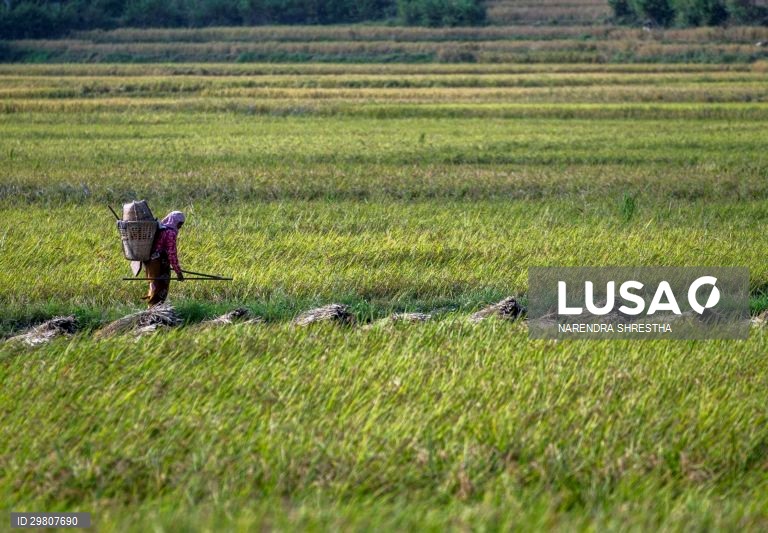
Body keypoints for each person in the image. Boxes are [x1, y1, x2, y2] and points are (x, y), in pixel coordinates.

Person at [142, 211, 185, 306]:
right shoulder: (170, 233)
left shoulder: (161, 228)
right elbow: (172, 254)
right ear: (174, 221)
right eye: (179, 224)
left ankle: (152, 308)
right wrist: (178, 272)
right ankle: (156, 310)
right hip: (159, 263)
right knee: (160, 286)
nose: (180, 227)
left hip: (149, 262)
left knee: (153, 285)